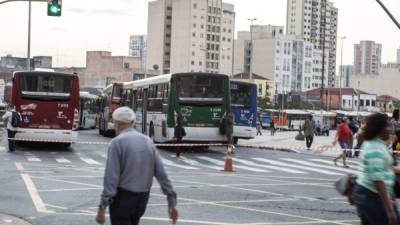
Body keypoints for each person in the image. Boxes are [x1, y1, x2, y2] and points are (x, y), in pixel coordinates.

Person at [96, 107, 178, 225]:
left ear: (117, 124)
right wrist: (172, 203)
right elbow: (162, 174)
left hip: (122, 199)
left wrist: (102, 206)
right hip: (142, 199)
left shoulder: (116, 143)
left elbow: (111, 178)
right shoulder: (148, 141)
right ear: (133, 123)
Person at [352, 113, 399, 225]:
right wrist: (390, 209)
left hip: (368, 195)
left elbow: (382, 168)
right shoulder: (375, 148)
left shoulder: (375, 144)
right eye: (387, 126)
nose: (390, 129)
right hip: (372, 197)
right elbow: (377, 180)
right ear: (380, 129)